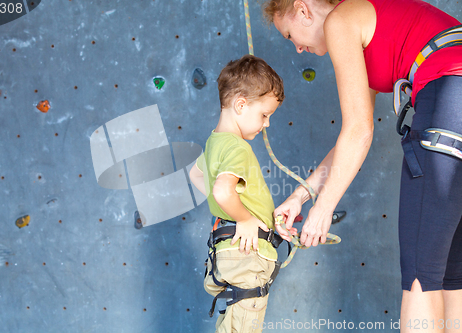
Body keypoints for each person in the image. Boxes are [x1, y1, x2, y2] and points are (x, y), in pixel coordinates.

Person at [262, 0, 462, 331]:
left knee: (420, 277)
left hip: (449, 98)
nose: (297, 48)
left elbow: (359, 132)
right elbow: (352, 139)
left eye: (289, 35)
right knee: (452, 277)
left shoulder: (340, 21)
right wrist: (301, 196)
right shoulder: (368, 22)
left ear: (303, 9)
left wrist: (323, 209)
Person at [189, 54, 285, 333]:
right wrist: (243, 219)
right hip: (248, 253)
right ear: (240, 105)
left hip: (229, 252)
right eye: (264, 115)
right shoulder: (237, 147)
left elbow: (195, 175)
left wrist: (232, 211)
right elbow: (221, 191)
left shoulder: (214, 143)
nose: (266, 124)